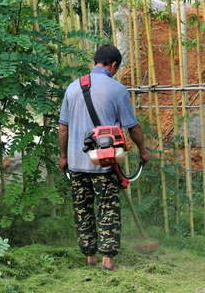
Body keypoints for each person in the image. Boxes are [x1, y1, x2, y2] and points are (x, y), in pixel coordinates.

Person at [58, 44, 151, 271]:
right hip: (103, 163)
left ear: (94, 62)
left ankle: (89, 257)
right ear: (114, 65)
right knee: (107, 208)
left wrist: (63, 156)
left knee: (82, 209)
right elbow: (133, 127)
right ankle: (107, 261)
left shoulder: (72, 87)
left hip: (77, 164)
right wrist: (143, 149)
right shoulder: (117, 89)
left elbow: (63, 128)